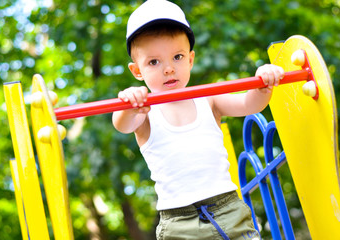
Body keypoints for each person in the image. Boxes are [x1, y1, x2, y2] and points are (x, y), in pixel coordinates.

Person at [112, 0, 284, 239]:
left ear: (191, 59)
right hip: (178, 222)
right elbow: (122, 124)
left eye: (177, 57)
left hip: (227, 208)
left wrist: (263, 84)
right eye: (154, 62)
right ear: (137, 71)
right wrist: (129, 104)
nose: (169, 69)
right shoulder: (144, 111)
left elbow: (248, 104)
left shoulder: (208, 98)